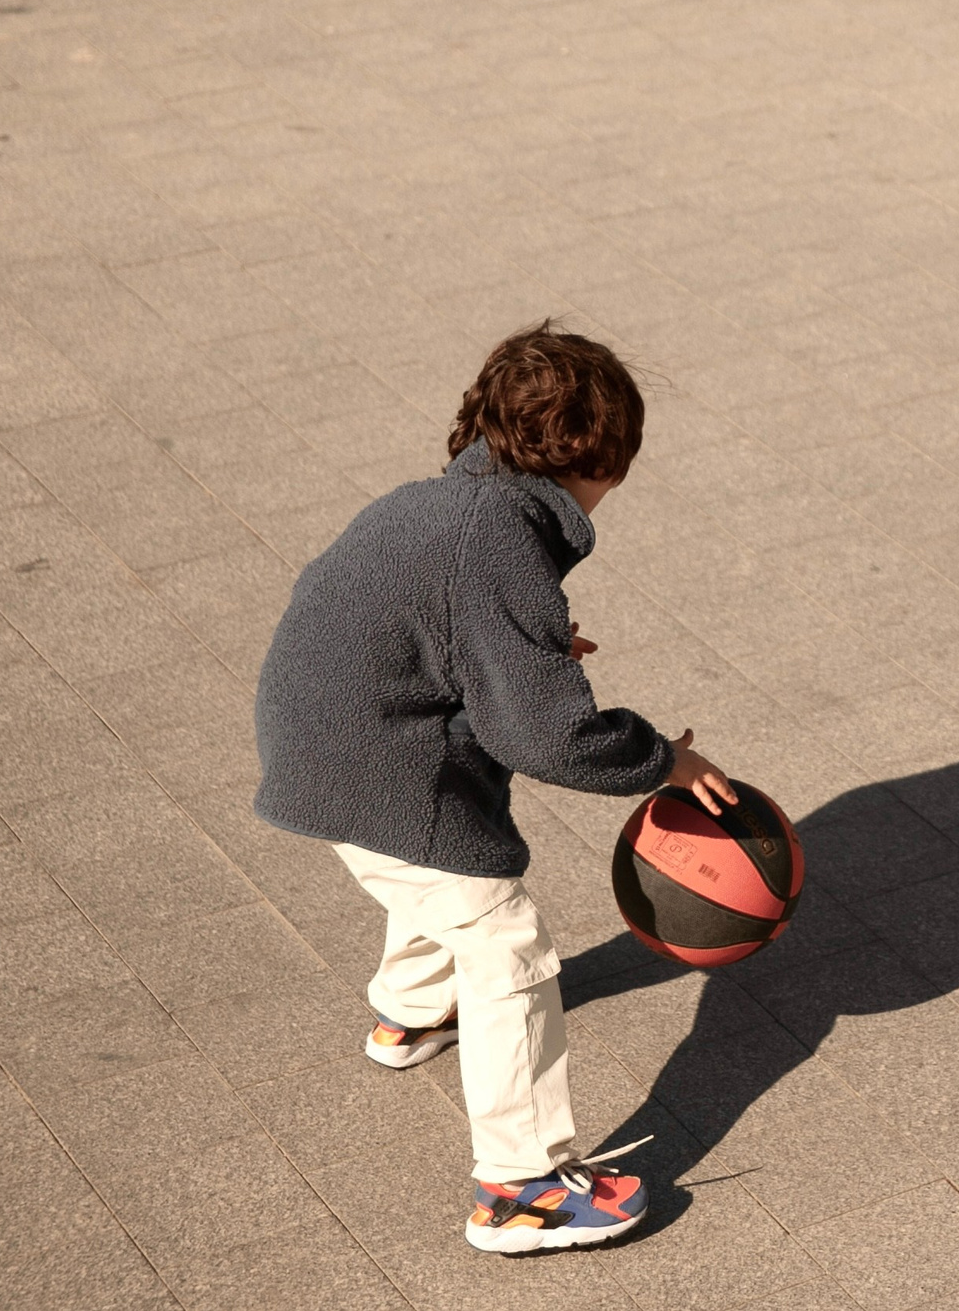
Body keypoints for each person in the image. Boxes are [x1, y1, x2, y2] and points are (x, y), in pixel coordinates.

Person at [253, 322, 737, 1252]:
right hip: (381, 766)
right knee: (505, 938)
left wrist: (519, 651)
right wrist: (663, 761)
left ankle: (410, 1013)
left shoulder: (434, 504)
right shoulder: (500, 543)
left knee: (433, 865)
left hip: (325, 744)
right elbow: (546, 734)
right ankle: (521, 1188)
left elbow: (441, 627)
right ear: (595, 459)